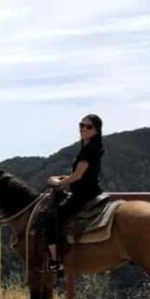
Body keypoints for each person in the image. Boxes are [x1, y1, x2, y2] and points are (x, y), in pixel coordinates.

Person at [45, 113, 105, 272]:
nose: (84, 129)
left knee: (51, 221)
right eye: (81, 125)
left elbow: (78, 175)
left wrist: (58, 182)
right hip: (92, 191)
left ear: (96, 130)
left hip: (83, 195)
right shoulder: (91, 147)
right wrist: (64, 178)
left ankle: (55, 261)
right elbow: (83, 174)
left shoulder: (88, 150)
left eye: (88, 126)